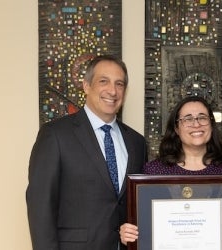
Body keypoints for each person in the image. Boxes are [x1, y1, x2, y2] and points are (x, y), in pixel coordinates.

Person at [26, 55, 148, 249]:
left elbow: (139, 206)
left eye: (119, 84)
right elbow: (40, 206)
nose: (112, 91)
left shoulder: (137, 142)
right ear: (86, 86)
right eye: (103, 81)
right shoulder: (55, 135)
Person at [119, 96, 222, 246]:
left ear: (211, 124)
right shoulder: (154, 172)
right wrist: (129, 234)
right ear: (176, 128)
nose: (196, 124)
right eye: (188, 119)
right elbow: (145, 228)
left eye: (202, 117)